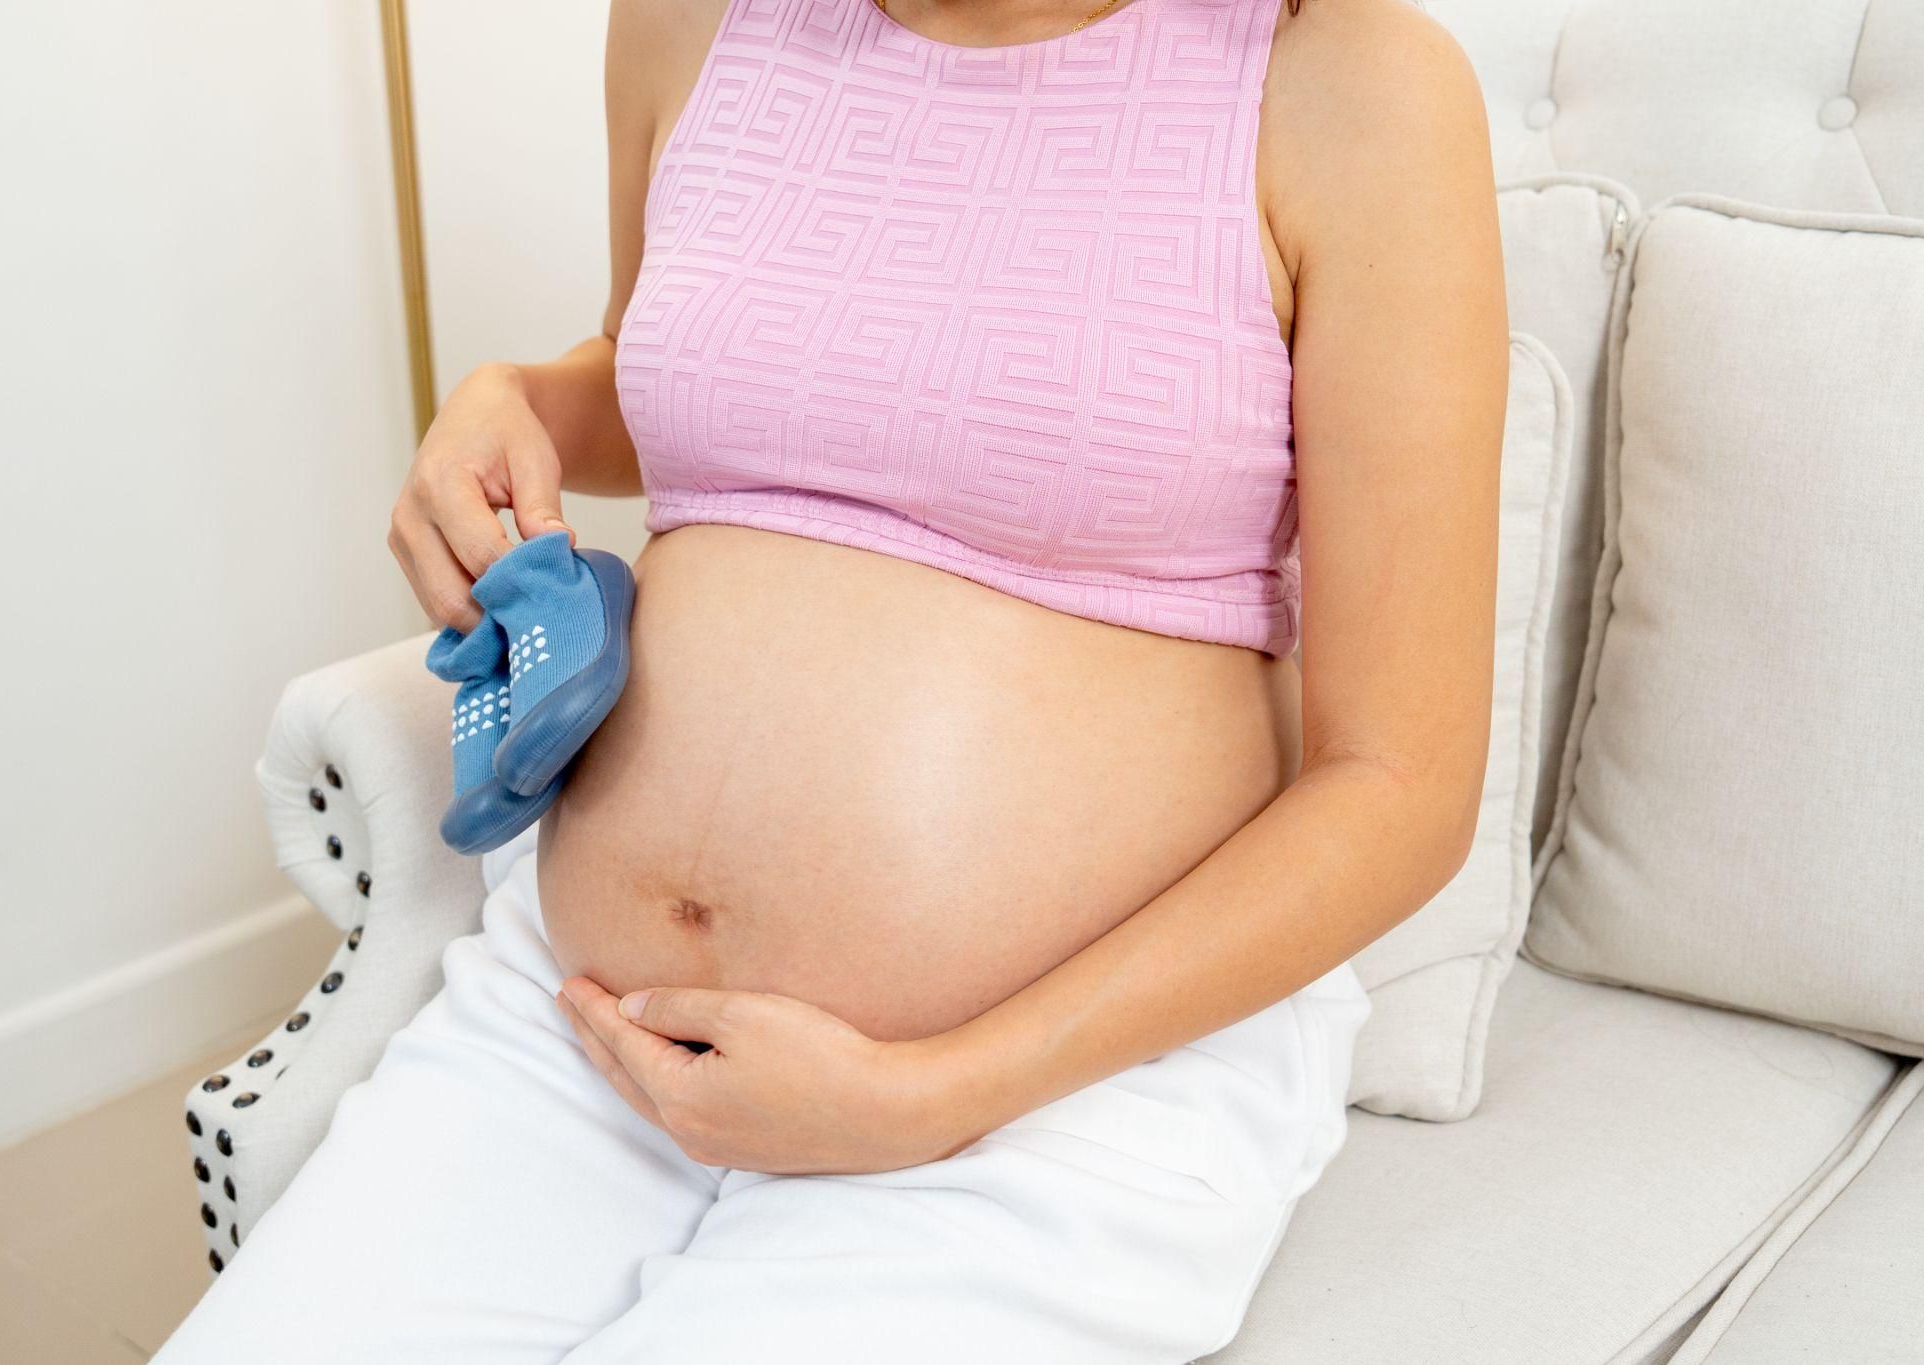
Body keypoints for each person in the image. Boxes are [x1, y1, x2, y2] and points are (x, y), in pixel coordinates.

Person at [158, 0, 1505, 1358]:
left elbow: (1400, 781)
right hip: (590, 1025)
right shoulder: (689, 19)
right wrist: (514, 398)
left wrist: (931, 1091)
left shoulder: (1349, 92)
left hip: (1049, 1099)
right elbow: (686, 370)